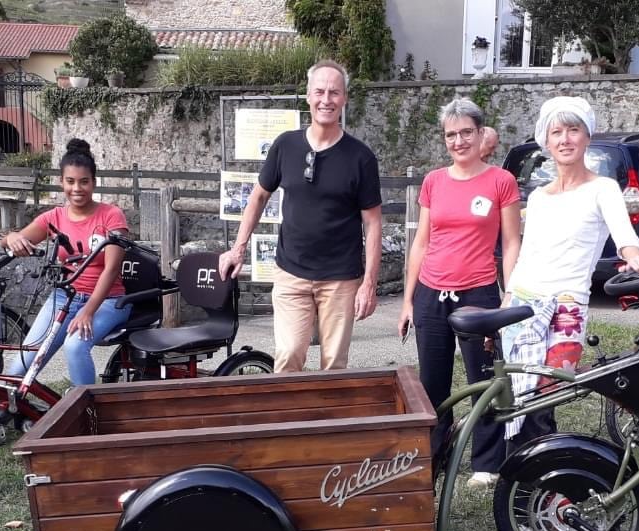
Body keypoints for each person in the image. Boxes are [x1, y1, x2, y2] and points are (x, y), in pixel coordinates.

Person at [500, 96, 639, 450]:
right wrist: (509, 295)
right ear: (546, 140)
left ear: (587, 137)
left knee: (545, 394)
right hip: (524, 302)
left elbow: (624, 238)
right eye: (557, 132)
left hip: (568, 307)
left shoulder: (603, 189)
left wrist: (636, 257)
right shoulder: (539, 196)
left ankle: (545, 473)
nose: (565, 139)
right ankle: (520, 476)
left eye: (573, 130)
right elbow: (528, 252)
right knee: (516, 395)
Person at [217, 60, 383, 372]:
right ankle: (289, 421)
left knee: (334, 364)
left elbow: (373, 222)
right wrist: (238, 248)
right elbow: (259, 196)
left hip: (340, 278)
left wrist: (369, 284)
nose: (326, 99)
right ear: (307, 95)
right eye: (319, 91)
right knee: (290, 354)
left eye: (334, 92)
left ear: (344, 99)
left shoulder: (361, 157)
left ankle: (326, 420)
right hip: (291, 272)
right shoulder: (286, 145)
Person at [398, 99, 521, 487]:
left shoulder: (502, 181)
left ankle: (486, 463)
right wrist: (406, 300)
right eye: (451, 134)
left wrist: (509, 294)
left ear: (481, 133)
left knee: (482, 380)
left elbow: (512, 243)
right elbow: (421, 242)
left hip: (479, 295)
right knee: (432, 385)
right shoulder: (434, 181)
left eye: (466, 132)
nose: (459, 140)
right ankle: (435, 454)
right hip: (431, 295)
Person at [0, 139, 131, 386]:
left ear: (93, 182)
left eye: (84, 181)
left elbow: (112, 269)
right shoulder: (54, 217)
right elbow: (9, 242)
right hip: (64, 297)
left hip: (109, 301)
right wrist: (12, 237)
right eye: (70, 181)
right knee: (20, 365)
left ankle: (87, 413)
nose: (77, 188)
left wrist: (88, 311)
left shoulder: (111, 216)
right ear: (61, 182)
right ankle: (25, 414)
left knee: (74, 346)